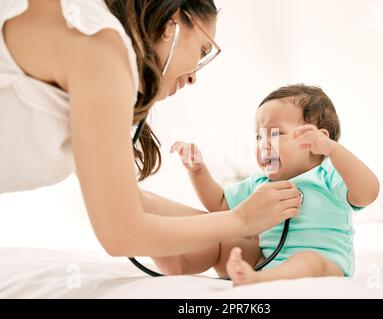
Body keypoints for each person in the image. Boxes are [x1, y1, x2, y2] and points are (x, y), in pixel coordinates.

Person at [0, 0, 300, 259]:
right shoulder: (101, 51)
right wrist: (240, 221)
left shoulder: (101, 47)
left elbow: (131, 201)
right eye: (203, 49)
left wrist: (237, 231)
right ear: (173, 23)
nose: (195, 76)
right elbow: (122, 230)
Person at [170, 84, 380, 285]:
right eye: (259, 136)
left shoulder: (328, 175)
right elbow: (221, 204)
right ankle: (180, 261)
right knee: (220, 241)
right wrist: (198, 171)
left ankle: (258, 281)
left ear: (319, 141)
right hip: (265, 260)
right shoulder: (260, 182)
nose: (263, 144)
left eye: (276, 133)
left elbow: (367, 193)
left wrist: (334, 150)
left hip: (324, 266)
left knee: (308, 260)